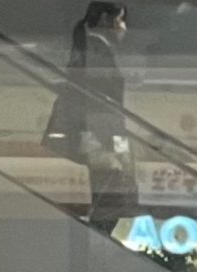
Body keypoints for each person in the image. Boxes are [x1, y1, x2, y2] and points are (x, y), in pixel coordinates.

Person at [62, 3, 137, 237]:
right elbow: (103, 108)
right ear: (105, 18)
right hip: (100, 139)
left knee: (109, 199)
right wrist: (117, 148)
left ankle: (98, 236)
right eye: (120, 20)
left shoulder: (93, 49)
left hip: (98, 138)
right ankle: (97, 237)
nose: (123, 28)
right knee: (111, 199)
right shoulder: (97, 53)